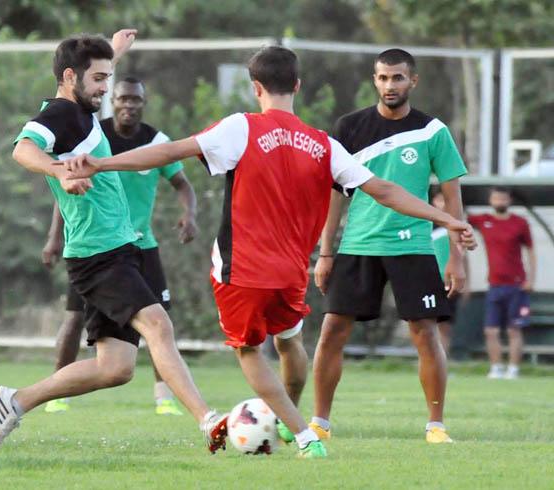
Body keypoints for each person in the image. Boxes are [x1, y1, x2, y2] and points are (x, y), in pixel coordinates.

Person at [61, 46, 475, 458]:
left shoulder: (241, 127)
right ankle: (299, 416)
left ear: (255, 86)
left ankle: (305, 434)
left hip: (243, 271)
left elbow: (171, 151)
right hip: (291, 272)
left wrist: (102, 164)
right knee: (290, 340)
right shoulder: (321, 143)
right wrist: (448, 220)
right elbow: (383, 190)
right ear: (297, 85)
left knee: (248, 350)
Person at [0, 30, 228, 453]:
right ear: (69, 77)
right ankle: (208, 421)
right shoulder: (60, 114)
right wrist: (60, 172)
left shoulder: (82, 108)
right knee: (159, 325)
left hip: (117, 249)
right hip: (98, 255)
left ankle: (16, 400)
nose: (105, 88)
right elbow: (23, 149)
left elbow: (88, 75)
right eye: (99, 80)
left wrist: (114, 50)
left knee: (115, 368)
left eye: (108, 77)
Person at [311, 48, 470, 444]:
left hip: (413, 246)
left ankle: (436, 425)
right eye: (383, 78)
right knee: (332, 331)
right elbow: (333, 195)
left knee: (425, 334)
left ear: (412, 81)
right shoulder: (348, 127)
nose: (390, 85)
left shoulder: (433, 131)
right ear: (374, 81)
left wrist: (456, 258)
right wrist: (326, 252)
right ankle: (320, 423)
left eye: (398, 78)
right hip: (358, 245)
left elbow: (453, 200)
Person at [41, 77, 197, 416]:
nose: (129, 105)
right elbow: (64, 186)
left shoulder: (155, 141)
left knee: (160, 321)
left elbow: (182, 184)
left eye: (135, 99)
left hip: (142, 247)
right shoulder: (95, 135)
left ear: (143, 102)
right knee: (74, 318)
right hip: (95, 249)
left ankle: (164, 396)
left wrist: (190, 214)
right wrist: (55, 237)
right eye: (122, 98)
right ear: (113, 100)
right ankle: (56, 392)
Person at [468, 186, 536, 379]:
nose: (499, 202)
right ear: (490, 200)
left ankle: (513, 369)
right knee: (490, 330)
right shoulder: (483, 221)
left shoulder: (520, 223)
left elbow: (531, 251)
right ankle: (496, 367)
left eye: (503, 199)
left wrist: (531, 278)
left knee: (514, 329)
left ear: (509, 200)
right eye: (496, 198)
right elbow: (458, 217)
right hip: (494, 285)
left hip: (517, 285)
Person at [431, 190, 470, 354]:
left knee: (444, 325)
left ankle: (442, 362)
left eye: (446, 201)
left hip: (449, 282)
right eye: (440, 200)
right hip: (428, 280)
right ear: (433, 201)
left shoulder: (455, 228)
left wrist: (467, 284)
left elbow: (463, 258)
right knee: (426, 324)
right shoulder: (424, 226)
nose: (442, 204)